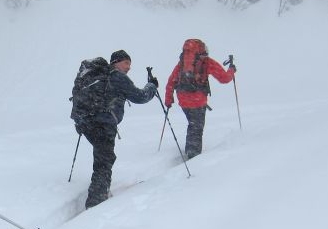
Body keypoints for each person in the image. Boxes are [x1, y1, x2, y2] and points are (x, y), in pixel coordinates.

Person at [72, 49, 158, 209]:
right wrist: (151, 86)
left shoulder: (98, 76)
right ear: (116, 62)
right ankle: (96, 201)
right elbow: (140, 96)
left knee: (103, 156)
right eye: (126, 63)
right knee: (104, 161)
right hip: (103, 125)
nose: (129, 67)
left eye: (130, 64)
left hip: (86, 123)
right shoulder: (117, 77)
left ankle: (100, 192)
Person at [164, 39, 235, 158]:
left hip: (183, 100)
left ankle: (190, 150)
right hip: (198, 101)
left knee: (193, 124)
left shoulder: (182, 63)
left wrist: (168, 100)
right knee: (196, 126)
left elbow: (171, 81)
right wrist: (231, 70)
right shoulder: (206, 61)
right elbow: (224, 78)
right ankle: (194, 155)